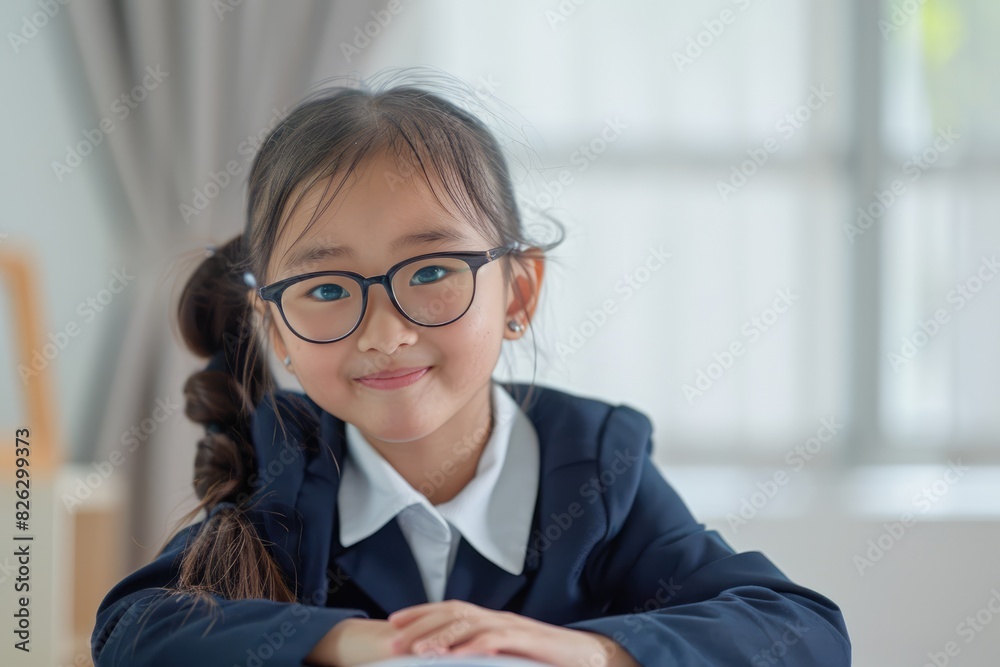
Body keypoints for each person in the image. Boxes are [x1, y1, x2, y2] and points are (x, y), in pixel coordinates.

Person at [91, 72, 852, 667]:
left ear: (518, 290)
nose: (386, 334)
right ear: (275, 328)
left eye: (431, 271)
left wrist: (589, 649)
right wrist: (358, 643)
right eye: (326, 288)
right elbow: (132, 631)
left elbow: (800, 631)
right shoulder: (284, 465)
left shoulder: (596, 463)